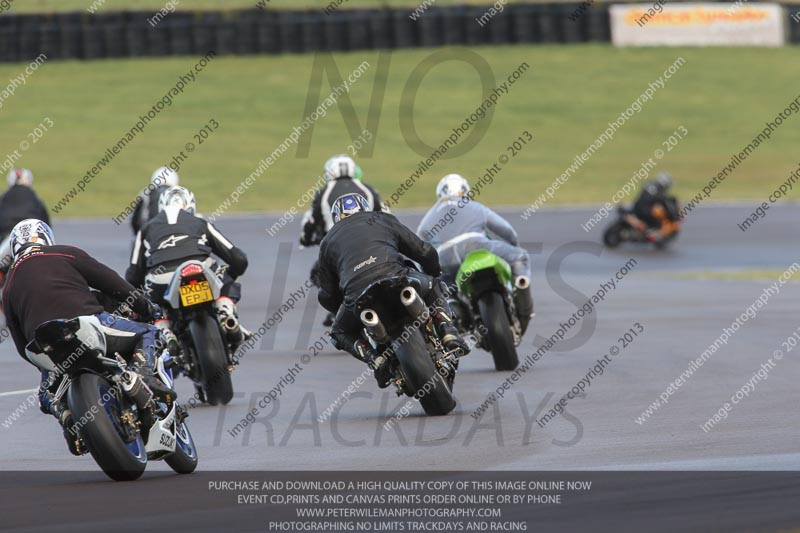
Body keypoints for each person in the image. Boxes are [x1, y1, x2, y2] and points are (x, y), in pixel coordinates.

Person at [2, 219, 166, 456]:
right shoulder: (67, 253)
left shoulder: (8, 286)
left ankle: (67, 418)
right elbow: (113, 283)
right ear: (46, 238)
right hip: (88, 324)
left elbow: (20, 345)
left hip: (45, 347)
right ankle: (144, 374)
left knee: (45, 396)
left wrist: (45, 365)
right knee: (148, 331)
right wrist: (146, 307)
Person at [317, 193, 469, 387]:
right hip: (396, 279)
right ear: (366, 208)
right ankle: (448, 331)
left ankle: (376, 360)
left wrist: (342, 304)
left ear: (336, 217)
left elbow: (327, 294)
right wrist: (433, 271)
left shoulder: (328, 242)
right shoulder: (382, 219)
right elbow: (423, 250)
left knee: (339, 332)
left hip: (360, 296)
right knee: (434, 284)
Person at [125, 186, 250, 349]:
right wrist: (229, 276)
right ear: (191, 206)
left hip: (161, 280)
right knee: (221, 274)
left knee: (149, 302)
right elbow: (239, 259)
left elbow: (133, 276)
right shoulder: (200, 223)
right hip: (200, 270)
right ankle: (225, 312)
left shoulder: (145, 229)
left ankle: (165, 332)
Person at [416, 174, 534, 334]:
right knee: (521, 256)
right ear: (465, 191)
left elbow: (420, 253)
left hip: (445, 258)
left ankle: (453, 312)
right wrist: (513, 247)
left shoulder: (427, 218)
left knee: (443, 288)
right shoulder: (473, 206)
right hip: (476, 245)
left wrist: (429, 279)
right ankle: (522, 295)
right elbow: (507, 231)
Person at [300, 155, 385, 326]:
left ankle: (337, 311)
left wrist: (306, 239)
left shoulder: (324, 193)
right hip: (373, 243)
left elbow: (310, 221)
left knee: (318, 273)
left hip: (338, 247)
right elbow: (385, 214)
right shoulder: (368, 189)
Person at [0, 169, 50, 273]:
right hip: (33, 236)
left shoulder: (3, 198)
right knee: (48, 262)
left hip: (7, 236)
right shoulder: (36, 199)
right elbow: (46, 224)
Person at [629, 171, 679, 243]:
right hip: (645, 210)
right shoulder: (660, 192)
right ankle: (651, 234)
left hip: (636, 206)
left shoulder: (648, 184)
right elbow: (665, 202)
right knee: (658, 222)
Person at [131, 166, 180, 235]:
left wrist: (140, 235)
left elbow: (135, 220)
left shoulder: (145, 193)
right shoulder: (180, 195)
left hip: (148, 235)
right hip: (174, 236)